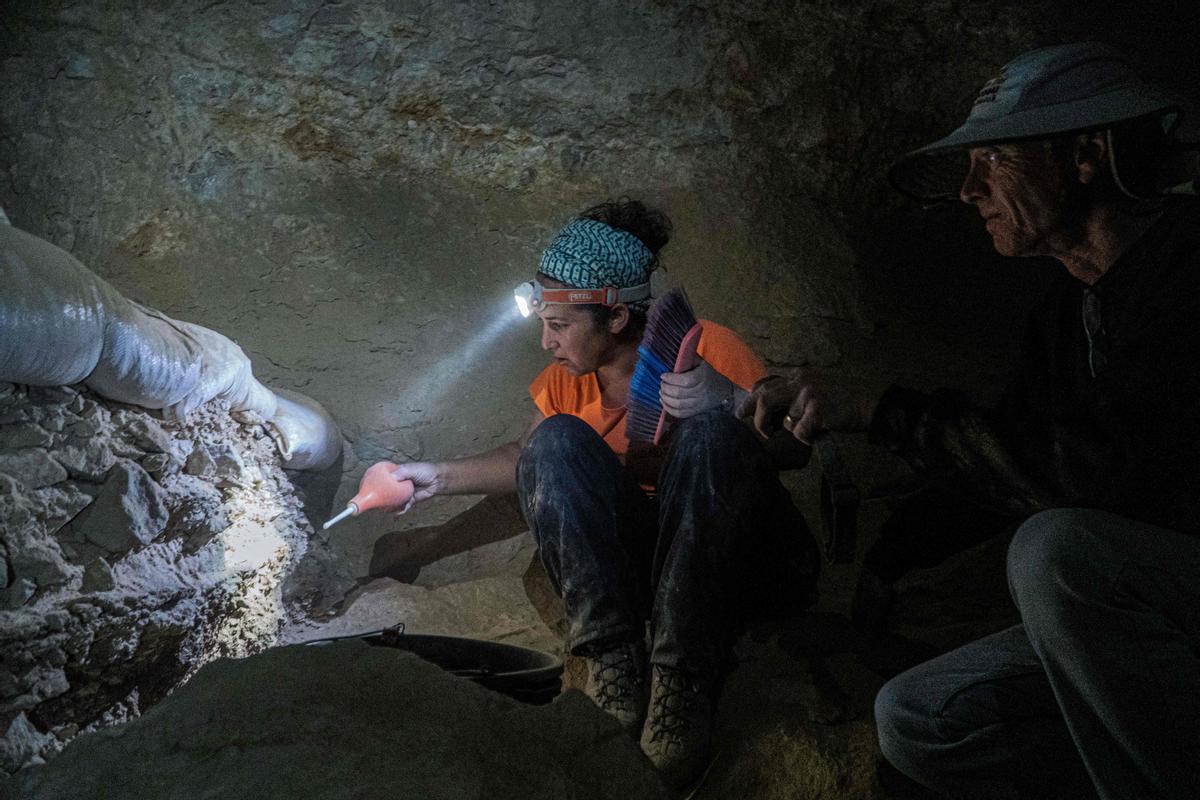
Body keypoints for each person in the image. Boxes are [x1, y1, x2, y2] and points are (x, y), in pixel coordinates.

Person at [746, 42, 1200, 798]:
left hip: (1170, 589)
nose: (968, 190)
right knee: (918, 717)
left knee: (1057, 552)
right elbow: (1012, 451)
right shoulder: (1067, 309)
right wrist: (889, 560)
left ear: (1086, 156)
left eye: (994, 159)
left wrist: (882, 410)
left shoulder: (1189, 269)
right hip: (1149, 607)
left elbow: (1098, 474)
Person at [387, 199, 819, 789]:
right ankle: (614, 663)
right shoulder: (566, 384)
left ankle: (683, 681)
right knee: (555, 442)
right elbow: (523, 461)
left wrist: (727, 405)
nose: (546, 342)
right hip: (651, 572)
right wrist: (431, 476)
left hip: (744, 564)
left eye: (559, 325)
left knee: (711, 435)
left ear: (615, 318)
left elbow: (791, 449)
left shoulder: (706, 347)